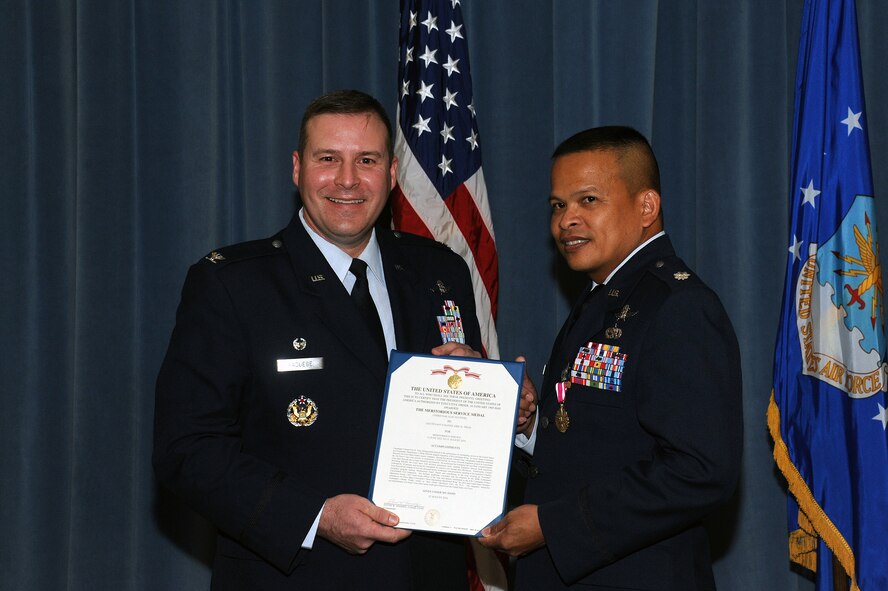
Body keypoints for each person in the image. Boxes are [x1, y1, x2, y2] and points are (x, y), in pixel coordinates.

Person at [153, 89, 481, 590]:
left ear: (391, 174)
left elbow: (461, 439)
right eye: (328, 159)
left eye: (366, 160)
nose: (348, 180)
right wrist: (316, 517)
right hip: (297, 575)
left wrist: (508, 417)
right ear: (297, 168)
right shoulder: (232, 284)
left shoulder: (440, 272)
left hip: (426, 575)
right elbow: (186, 450)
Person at [481, 126, 743, 590]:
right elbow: (593, 438)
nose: (566, 221)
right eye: (558, 205)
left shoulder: (677, 306)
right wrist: (528, 427)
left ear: (646, 207)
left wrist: (553, 526)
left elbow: (701, 471)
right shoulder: (603, 296)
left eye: (588, 201)